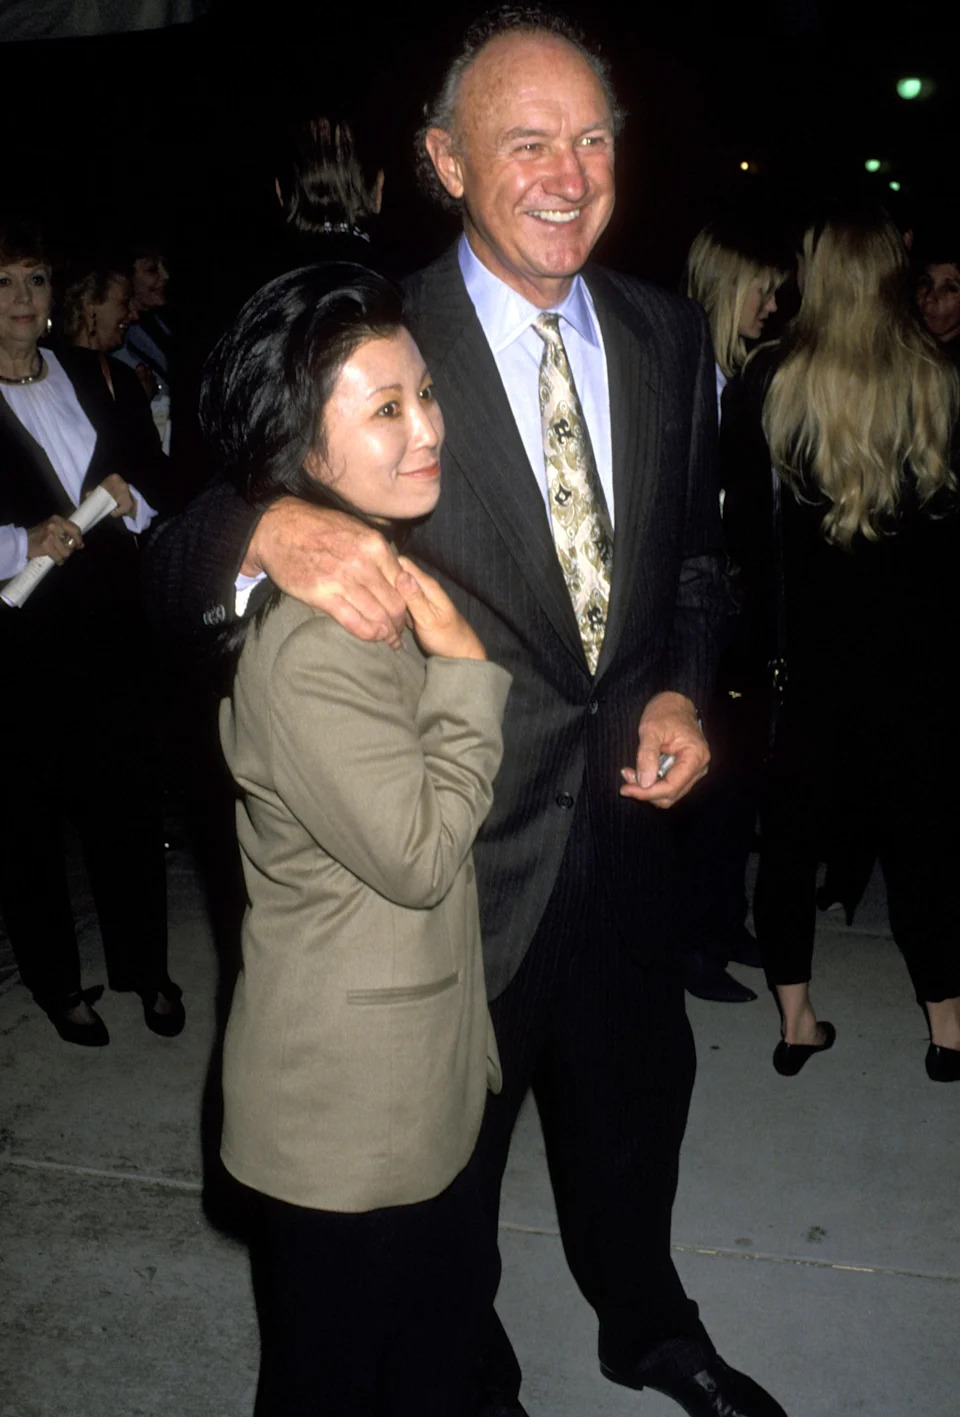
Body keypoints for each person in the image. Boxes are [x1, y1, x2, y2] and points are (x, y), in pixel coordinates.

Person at [145, 10, 787, 1416]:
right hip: (454, 872)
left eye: (594, 139)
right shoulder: (378, 334)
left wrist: (682, 682)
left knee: (636, 1109)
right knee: (444, 1192)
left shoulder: (666, 329)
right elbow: (168, 549)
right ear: (444, 162)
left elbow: (693, 559)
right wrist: (259, 529)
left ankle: (648, 1323)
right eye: (528, 142)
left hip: (627, 834)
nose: (570, 174)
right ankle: (471, 1376)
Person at [206, 262, 511, 1414]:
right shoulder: (316, 646)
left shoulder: (373, 578)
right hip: (349, 1121)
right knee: (338, 1383)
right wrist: (468, 677)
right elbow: (422, 856)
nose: (428, 427)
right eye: (386, 407)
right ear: (302, 446)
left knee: (418, 1360)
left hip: (402, 1083)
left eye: (424, 393)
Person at [721, 210, 960, 1083]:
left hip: (804, 665)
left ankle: (797, 1022)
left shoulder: (770, 380)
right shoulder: (937, 381)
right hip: (914, 664)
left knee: (789, 841)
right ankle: (949, 1029)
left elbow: (743, 531)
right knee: (923, 841)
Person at [0, 218, 182, 1046]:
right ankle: (58, 984)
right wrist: (19, 543)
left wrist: (129, 502)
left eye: (34, 279)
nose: (21, 298)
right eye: (3, 283)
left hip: (112, 632)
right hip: (20, 648)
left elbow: (149, 480)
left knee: (128, 806)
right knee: (29, 822)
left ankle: (147, 969)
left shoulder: (88, 372)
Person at [677, 219, 789, 1003]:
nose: (773, 304)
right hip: (695, 613)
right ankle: (691, 940)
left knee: (739, 774)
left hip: (739, 611)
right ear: (726, 286)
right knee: (702, 782)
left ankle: (722, 919)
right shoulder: (684, 376)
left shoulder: (743, 376)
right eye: (762, 289)